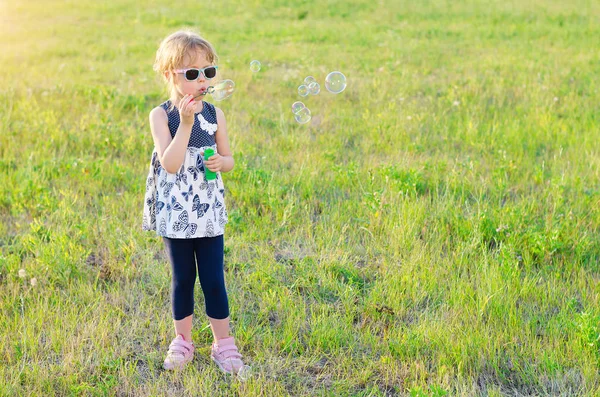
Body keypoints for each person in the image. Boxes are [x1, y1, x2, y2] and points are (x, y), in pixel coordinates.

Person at [142, 29, 245, 374]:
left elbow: (229, 159)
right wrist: (185, 123)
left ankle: (224, 345)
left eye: (208, 71)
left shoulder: (215, 115)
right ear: (170, 75)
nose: (203, 80)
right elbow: (170, 163)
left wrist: (221, 162)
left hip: (208, 211)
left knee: (214, 278)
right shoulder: (162, 116)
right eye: (192, 73)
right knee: (183, 278)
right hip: (176, 212)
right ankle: (183, 341)